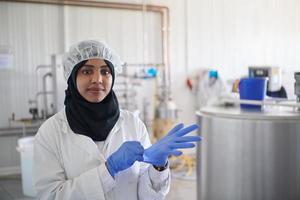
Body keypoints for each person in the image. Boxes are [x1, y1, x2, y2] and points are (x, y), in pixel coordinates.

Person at [33, 40, 201, 200]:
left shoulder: (133, 124)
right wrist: (108, 169)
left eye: (105, 71)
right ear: (72, 77)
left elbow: (148, 197)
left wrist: (158, 167)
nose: (97, 79)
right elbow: (51, 195)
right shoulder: (51, 132)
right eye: (87, 71)